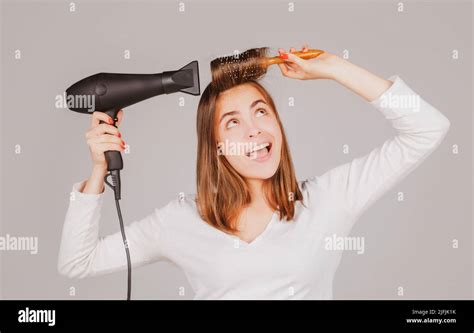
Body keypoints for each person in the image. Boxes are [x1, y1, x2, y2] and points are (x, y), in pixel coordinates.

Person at [57, 45, 451, 299]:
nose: (254, 130)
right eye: (232, 123)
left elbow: (427, 129)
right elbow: (78, 262)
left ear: (278, 124)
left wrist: (335, 67)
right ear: (216, 148)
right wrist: (97, 173)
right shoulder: (181, 221)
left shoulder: (329, 200)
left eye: (261, 112)